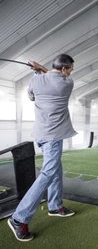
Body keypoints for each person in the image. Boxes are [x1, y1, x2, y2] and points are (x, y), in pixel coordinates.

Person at [8, 54, 77, 242]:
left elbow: (32, 95)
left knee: (56, 169)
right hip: (53, 138)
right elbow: (54, 78)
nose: (71, 72)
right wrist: (41, 67)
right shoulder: (66, 84)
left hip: (40, 135)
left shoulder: (36, 80)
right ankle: (19, 218)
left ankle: (55, 205)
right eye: (70, 69)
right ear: (63, 70)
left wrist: (39, 71)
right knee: (48, 173)